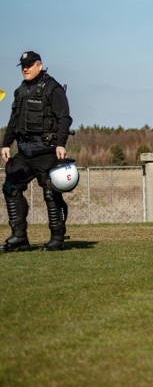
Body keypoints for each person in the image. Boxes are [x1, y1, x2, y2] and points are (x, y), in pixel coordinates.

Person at [1, 51, 73, 252]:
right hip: (25, 152)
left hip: (47, 151)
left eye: (30, 65)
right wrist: (6, 144)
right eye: (23, 65)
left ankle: (57, 238)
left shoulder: (52, 88)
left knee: (51, 192)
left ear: (39, 66)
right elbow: (14, 122)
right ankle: (19, 237)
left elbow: (64, 118)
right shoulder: (20, 91)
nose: (25, 68)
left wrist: (61, 143)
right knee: (10, 187)